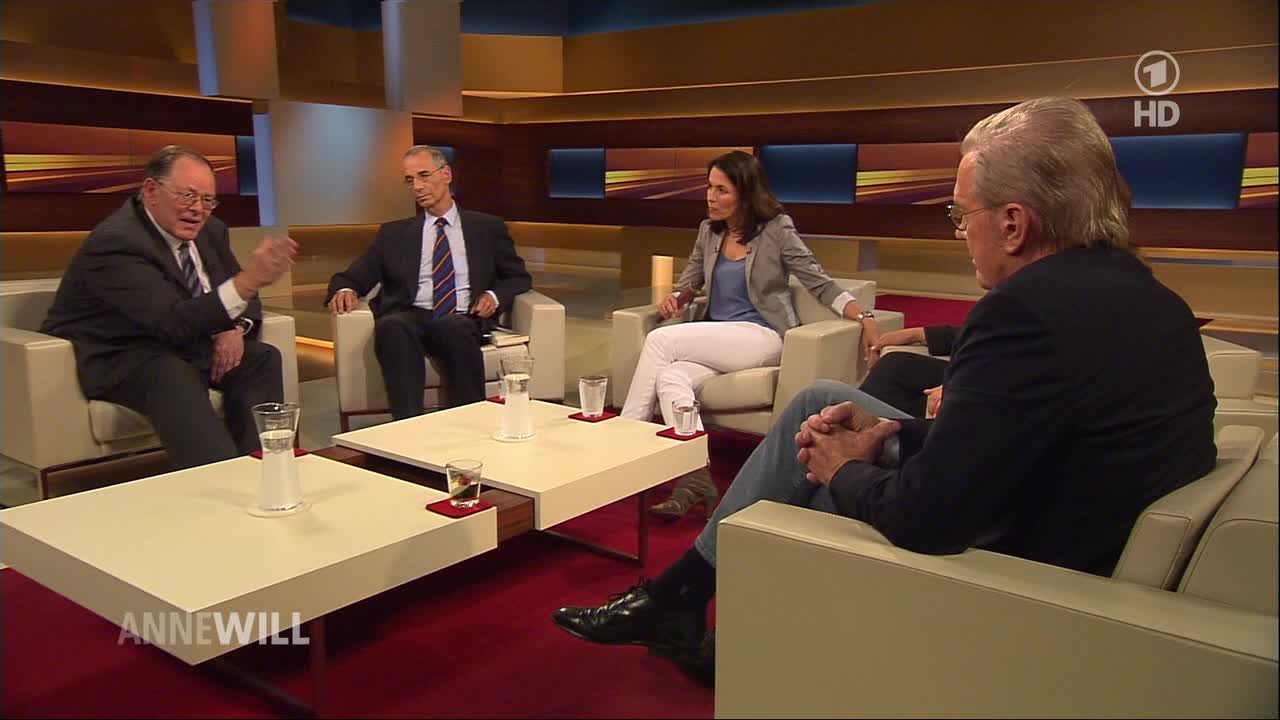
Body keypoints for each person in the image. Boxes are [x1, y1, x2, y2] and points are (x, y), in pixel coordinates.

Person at [552, 97, 1217, 686]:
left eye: (961, 214)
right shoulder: (1149, 296)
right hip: (1055, 507)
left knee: (812, 470)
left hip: (1024, 572)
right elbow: (1031, 438)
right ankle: (684, 599)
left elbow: (926, 518)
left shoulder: (1024, 312)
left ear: (1014, 224)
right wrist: (892, 435)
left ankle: (702, 612)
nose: (960, 231)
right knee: (821, 402)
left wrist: (846, 467)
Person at [624, 150, 882, 519]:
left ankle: (625, 444)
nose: (711, 197)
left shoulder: (777, 230)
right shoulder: (709, 231)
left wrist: (864, 316)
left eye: (721, 190)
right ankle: (694, 474)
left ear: (745, 193)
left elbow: (819, 282)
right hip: (721, 336)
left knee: (660, 341)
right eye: (709, 187)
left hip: (762, 335)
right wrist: (678, 298)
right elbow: (690, 281)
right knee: (671, 377)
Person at [41, 145, 296, 470]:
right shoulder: (118, 241)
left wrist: (235, 328)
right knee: (172, 373)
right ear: (151, 191)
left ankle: (266, 469)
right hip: (122, 354)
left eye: (207, 200)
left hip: (184, 344)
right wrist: (249, 281)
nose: (198, 210)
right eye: (188, 196)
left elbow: (235, 294)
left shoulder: (210, 231)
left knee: (261, 358)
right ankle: (218, 478)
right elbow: (171, 320)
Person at [325, 145, 532, 418]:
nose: (417, 187)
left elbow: (518, 276)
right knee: (391, 326)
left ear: (446, 174)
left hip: (463, 316)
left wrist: (493, 296)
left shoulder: (486, 227)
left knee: (454, 328)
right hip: (411, 315)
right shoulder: (394, 234)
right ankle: (407, 424)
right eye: (410, 180)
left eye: (424, 175)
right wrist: (346, 288)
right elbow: (355, 275)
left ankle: (470, 419)